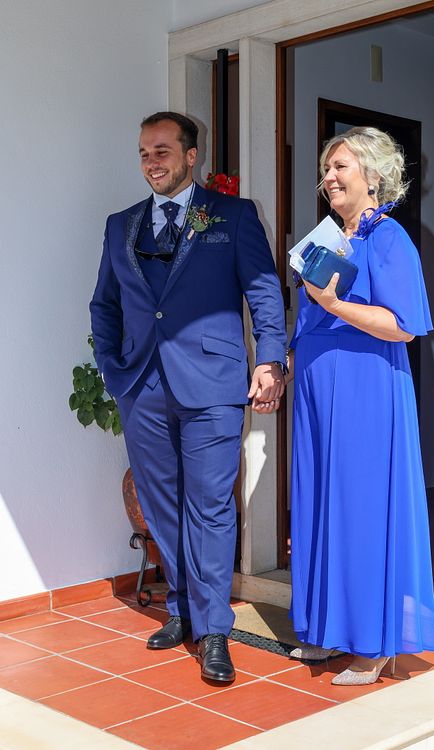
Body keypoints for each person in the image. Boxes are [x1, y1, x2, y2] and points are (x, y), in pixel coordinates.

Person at [90, 112, 286, 683]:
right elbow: (104, 304)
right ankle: (181, 608)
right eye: (144, 153)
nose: (152, 162)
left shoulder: (232, 215)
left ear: (191, 156)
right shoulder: (120, 225)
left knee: (211, 506)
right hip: (142, 387)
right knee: (162, 506)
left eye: (162, 151)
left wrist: (270, 358)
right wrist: (113, 369)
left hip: (213, 385)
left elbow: (263, 291)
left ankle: (215, 628)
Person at [287, 126, 434, 685]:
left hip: (365, 391)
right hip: (315, 390)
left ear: (372, 176)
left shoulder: (391, 238)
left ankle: (374, 643)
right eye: (326, 169)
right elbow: (310, 314)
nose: (328, 177)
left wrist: (335, 305)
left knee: (360, 508)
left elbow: (403, 325)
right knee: (320, 504)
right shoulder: (328, 237)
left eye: (340, 167)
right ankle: (330, 628)